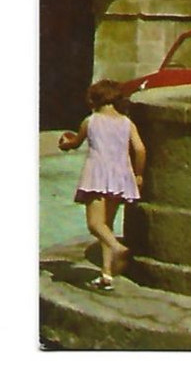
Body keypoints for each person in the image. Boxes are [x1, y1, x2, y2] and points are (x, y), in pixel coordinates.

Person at [58, 79, 146, 291]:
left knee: (95, 225)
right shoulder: (127, 123)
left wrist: (65, 143)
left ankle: (117, 248)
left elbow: (75, 143)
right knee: (107, 224)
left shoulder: (91, 121)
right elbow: (140, 149)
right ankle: (106, 275)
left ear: (95, 100)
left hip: (97, 176)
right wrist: (139, 174)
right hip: (120, 176)